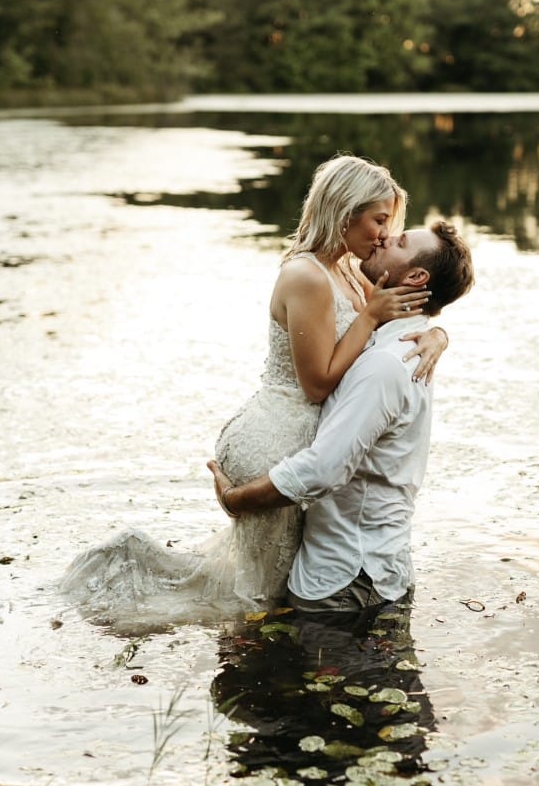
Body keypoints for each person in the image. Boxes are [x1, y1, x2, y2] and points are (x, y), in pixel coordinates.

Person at [60, 155, 450, 630]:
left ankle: (265, 667)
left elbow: (388, 334)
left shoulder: (349, 270)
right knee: (257, 599)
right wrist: (369, 318)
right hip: (277, 435)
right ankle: (245, 669)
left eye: (390, 224)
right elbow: (318, 383)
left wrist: (437, 336)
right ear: (344, 210)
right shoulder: (307, 276)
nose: (385, 235)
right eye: (379, 220)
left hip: (307, 436)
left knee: (268, 590)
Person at [208, 220, 474, 613]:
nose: (385, 236)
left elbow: (322, 470)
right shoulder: (404, 340)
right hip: (371, 571)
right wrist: (441, 334)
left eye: (399, 241)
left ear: (416, 276)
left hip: (343, 583)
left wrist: (235, 500)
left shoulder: (386, 363)